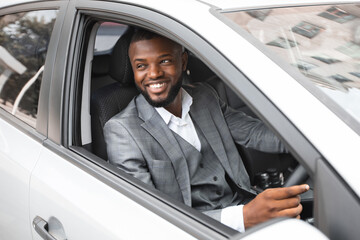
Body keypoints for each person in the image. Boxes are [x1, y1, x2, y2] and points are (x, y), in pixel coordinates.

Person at [104, 29, 309, 232]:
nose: (154, 73)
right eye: (141, 66)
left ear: (183, 62)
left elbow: (255, 134)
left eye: (165, 61)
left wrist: (315, 140)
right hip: (195, 231)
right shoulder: (122, 131)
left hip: (247, 207)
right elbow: (152, 217)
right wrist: (243, 217)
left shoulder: (205, 96)